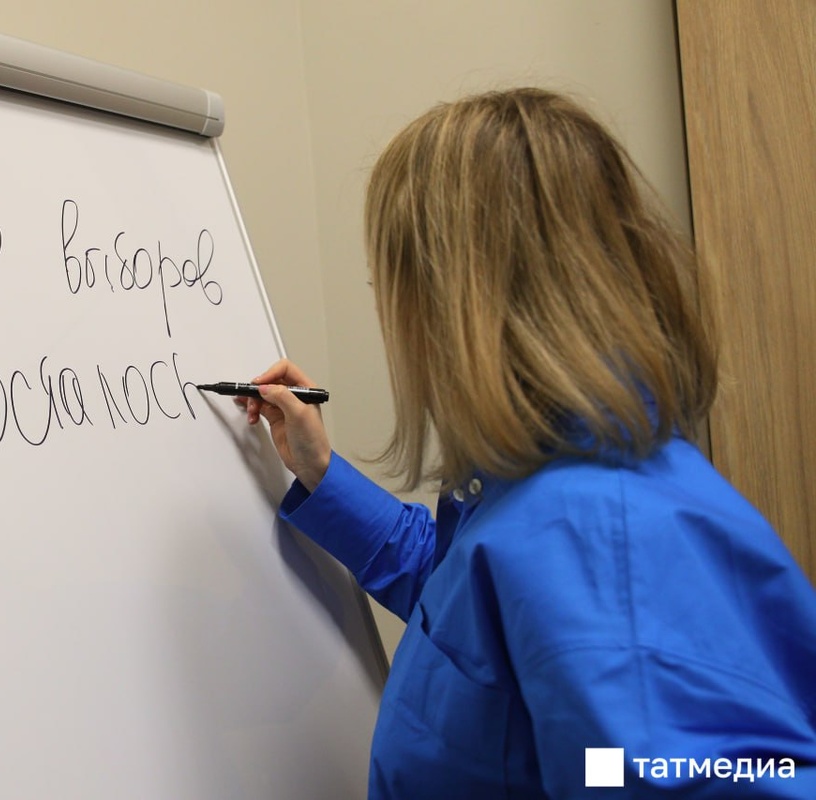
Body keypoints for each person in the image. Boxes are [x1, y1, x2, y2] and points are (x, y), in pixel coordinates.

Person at [240, 88, 816, 798]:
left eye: (390, 288)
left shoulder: (594, 533)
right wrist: (323, 474)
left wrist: (598, 771)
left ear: (458, 302)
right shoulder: (545, 482)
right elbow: (476, 630)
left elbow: (683, 773)